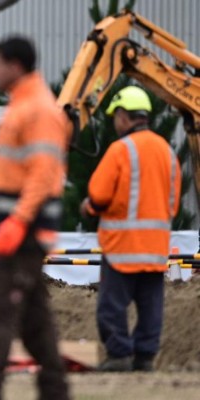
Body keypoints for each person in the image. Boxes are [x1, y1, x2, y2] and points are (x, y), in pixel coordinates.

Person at [0, 36, 70, 400]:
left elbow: (43, 174)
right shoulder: (23, 105)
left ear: (15, 65)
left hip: (26, 233)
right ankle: (55, 389)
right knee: (35, 322)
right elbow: (15, 174)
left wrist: (18, 221)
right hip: (20, 228)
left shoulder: (38, 109)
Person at [80, 86, 181, 372]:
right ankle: (145, 358)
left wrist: (88, 208)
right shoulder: (167, 151)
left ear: (124, 116)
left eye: (115, 116)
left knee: (112, 306)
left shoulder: (121, 150)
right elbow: (172, 206)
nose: (115, 123)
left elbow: (98, 195)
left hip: (122, 247)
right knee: (151, 307)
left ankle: (119, 355)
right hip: (155, 248)